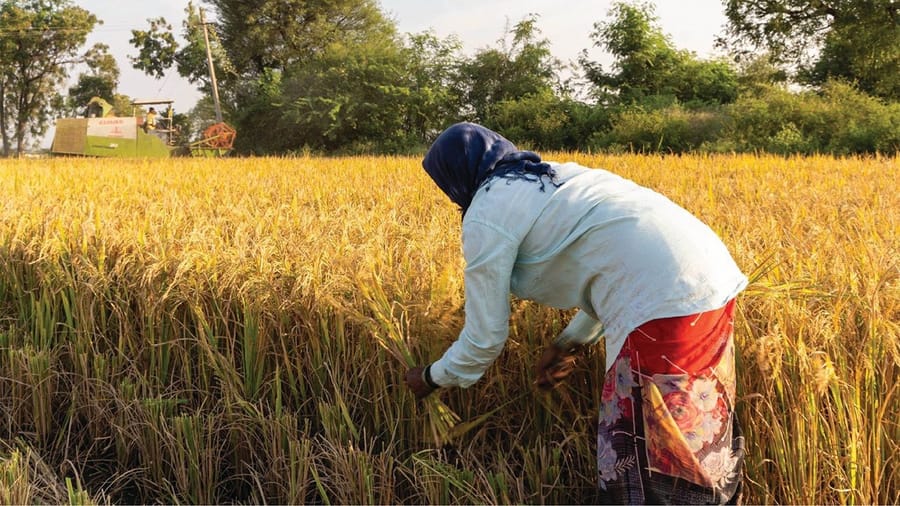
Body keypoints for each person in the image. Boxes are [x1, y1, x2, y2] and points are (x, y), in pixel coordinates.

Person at [404, 122, 747, 504]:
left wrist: (433, 377)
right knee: (697, 420)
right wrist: (569, 342)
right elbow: (616, 264)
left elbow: (485, 337)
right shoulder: (551, 177)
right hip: (708, 280)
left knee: (652, 443)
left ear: (453, 175)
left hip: (662, 303)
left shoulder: (487, 211)